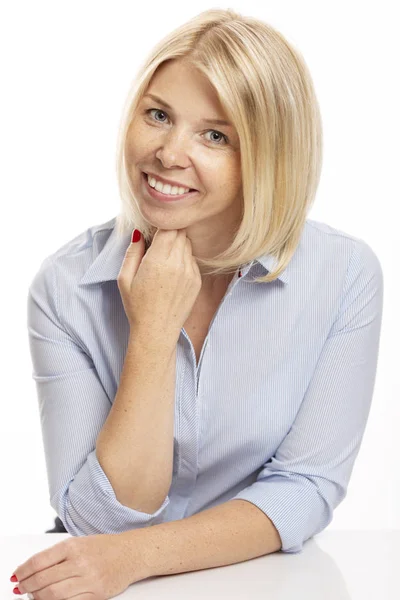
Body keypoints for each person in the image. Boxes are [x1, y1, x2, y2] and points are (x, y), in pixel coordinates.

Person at [28, 8, 383, 554]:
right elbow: (96, 524)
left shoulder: (343, 277)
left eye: (215, 135)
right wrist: (152, 334)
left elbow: (305, 489)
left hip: (259, 578)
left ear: (270, 159)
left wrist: (136, 560)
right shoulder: (66, 286)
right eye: (158, 115)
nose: (168, 154)